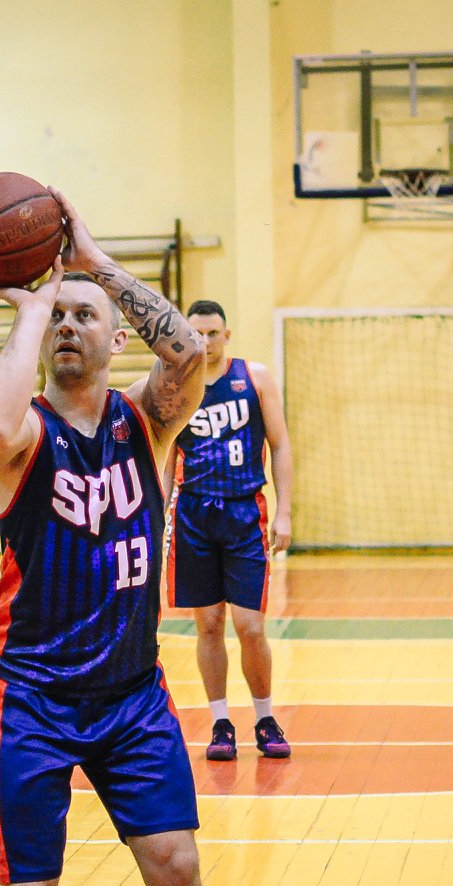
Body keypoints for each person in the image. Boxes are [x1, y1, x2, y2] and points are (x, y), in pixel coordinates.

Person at [0, 191, 225, 886]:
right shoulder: (25, 436)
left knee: (177, 872)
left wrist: (94, 262)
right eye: (57, 317)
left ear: (115, 336)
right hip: (32, 693)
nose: (68, 324)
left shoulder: (149, 421)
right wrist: (31, 307)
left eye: (84, 315)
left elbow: (187, 351)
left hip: (132, 694)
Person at [168, 301, 295, 761]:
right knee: (208, 624)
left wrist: (284, 513)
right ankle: (221, 722)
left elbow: (280, 444)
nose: (204, 342)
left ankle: (264, 717)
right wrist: (153, 515)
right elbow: (166, 457)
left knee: (250, 626)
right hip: (193, 514)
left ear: (227, 335)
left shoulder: (254, 378)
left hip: (244, 512)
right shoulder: (174, 386)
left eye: (213, 333)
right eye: (196, 334)